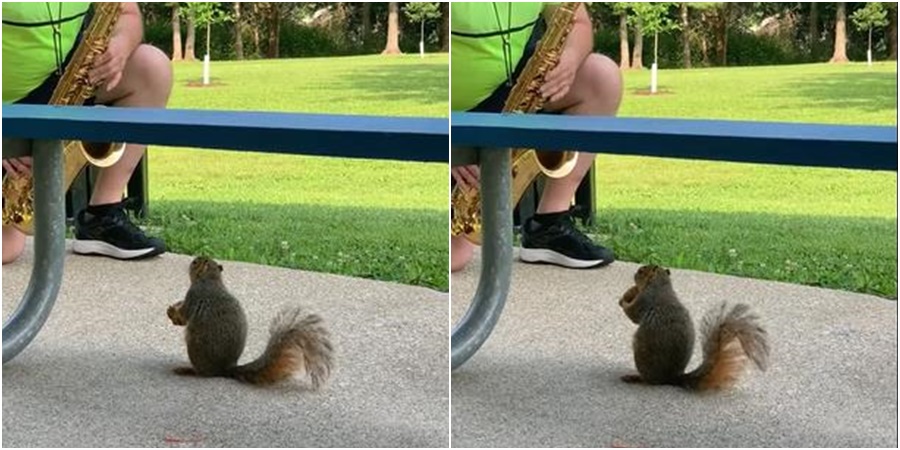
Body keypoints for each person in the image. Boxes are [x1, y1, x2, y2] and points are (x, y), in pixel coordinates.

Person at [450, 2, 623, 272]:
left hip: (514, 91)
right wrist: (450, 147)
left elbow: (578, 23)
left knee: (602, 77)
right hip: (451, 114)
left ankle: (549, 224)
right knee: (455, 257)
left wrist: (570, 59)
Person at [2, 2, 173, 264]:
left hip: (60, 85)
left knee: (151, 68)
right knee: (7, 247)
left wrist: (120, 46)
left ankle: (101, 216)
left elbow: (127, 13)